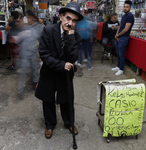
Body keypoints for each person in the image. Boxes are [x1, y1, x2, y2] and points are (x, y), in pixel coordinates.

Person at [35, 2, 83, 139]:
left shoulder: (77, 37)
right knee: (48, 99)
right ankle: (49, 124)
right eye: (68, 18)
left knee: (67, 99)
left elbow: (73, 57)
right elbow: (44, 54)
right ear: (61, 16)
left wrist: (70, 36)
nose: (70, 23)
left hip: (65, 75)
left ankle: (69, 122)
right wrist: (61, 65)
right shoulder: (48, 30)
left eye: (74, 20)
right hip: (49, 73)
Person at [112, 1, 134, 76]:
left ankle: (121, 69)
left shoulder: (130, 16)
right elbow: (120, 26)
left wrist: (118, 36)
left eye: (127, 7)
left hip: (124, 38)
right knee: (118, 53)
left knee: (121, 54)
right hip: (120, 37)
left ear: (130, 8)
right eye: (124, 6)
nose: (125, 8)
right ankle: (118, 66)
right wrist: (116, 34)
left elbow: (126, 29)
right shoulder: (124, 16)